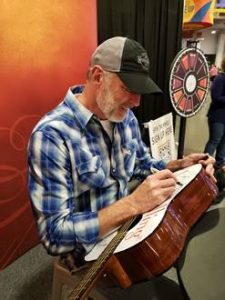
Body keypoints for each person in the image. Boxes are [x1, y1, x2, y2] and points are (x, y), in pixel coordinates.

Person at [28, 36, 215, 281]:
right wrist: (133, 204)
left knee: (197, 258)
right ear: (97, 77)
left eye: (140, 92)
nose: (137, 102)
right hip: (89, 257)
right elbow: (54, 236)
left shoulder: (124, 118)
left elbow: (141, 164)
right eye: (128, 89)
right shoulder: (52, 136)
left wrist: (179, 166)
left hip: (132, 232)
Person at [204, 57, 225, 191]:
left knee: (223, 146)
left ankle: (217, 174)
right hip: (217, 117)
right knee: (215, 141)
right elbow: (216, 97)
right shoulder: (220, 78)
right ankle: (203, 166)